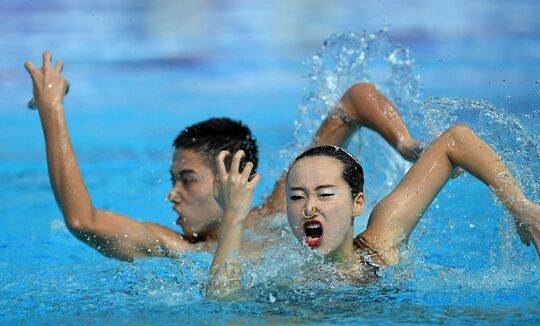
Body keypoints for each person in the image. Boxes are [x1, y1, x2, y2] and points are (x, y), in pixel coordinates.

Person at [24, 51, 423, 261]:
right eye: (173, 180)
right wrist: (52, 110)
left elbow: (353, 101)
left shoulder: (286, 204)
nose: (173, 194)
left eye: (187, 178)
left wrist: (405, 145)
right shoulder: (181, 250)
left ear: (231, 175)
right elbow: (82, 220)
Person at [207, 126, 540, 298]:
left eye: (325, 194)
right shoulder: (283, 279)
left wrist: (517, 204)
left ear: (358, 203)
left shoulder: (381, 244)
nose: (309, 207)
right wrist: (234, 218)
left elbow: (456, 141)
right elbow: (225, 313)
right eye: (296, 197)